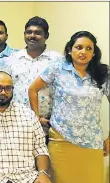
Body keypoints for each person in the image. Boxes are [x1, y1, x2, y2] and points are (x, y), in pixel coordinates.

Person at [28, 31, 110, 183]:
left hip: (92, 145)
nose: (83, 52)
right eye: (79, 47)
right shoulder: (57, 68)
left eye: (88, 48)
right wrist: (36, 117)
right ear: (69, 50)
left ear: (93, 53)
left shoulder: (103, 73)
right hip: (61, 142)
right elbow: (33, 89)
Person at [4, 16, 64, 140]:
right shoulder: (12, 60)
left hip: (46, 125)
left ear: (46, 35)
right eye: (29, 32)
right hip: (16, 123)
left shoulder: (57, 60)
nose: (32, 36)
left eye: (38, 33)